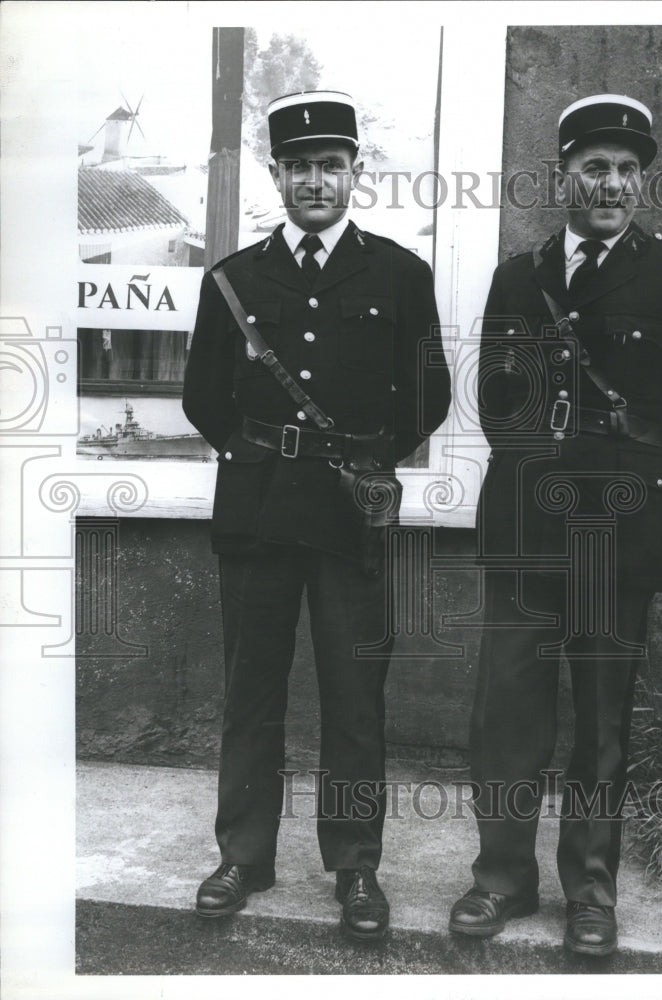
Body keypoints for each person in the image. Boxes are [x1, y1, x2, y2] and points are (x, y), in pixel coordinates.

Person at [449, 94, 662, 955]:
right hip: (529, 529)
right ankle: (501, 876)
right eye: (594, 168)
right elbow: (497, 401)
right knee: (507, 714)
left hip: (622, 533)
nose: (610, 184)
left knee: (601, 724)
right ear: (563, 177)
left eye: (625, 170)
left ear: (640, 182)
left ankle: (592, 893)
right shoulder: (519, 276)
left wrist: (660, 507)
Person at [183, 90, 450, 941]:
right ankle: (243, 856)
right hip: (258, 511)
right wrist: (265, 454)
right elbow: (202, 397)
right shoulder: (233, 278)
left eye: (330, 166)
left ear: (354, 174)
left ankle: (356, 867)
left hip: (349, 518)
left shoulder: (400, 275)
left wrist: (369, 462)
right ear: (277, 174)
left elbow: (429, 394)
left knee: (353, 693)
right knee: (251, 692)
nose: (315, 181)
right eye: (298, 166)